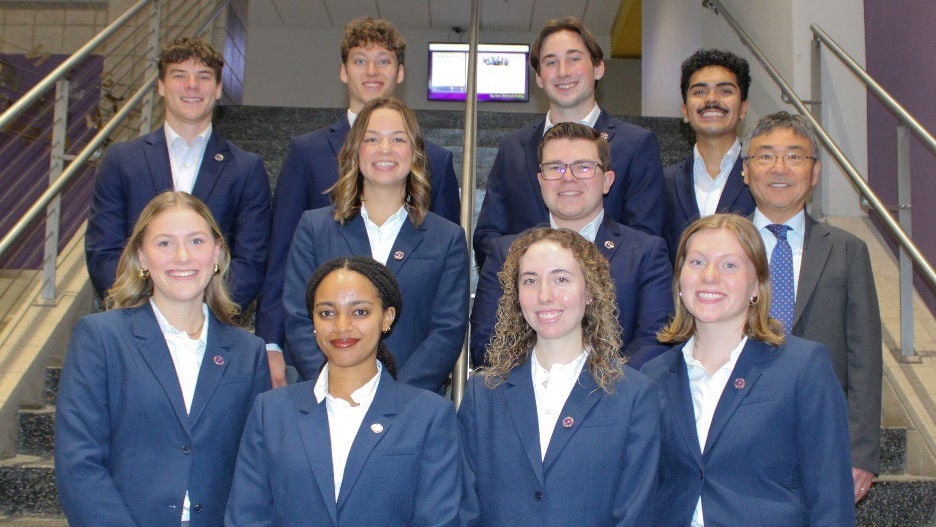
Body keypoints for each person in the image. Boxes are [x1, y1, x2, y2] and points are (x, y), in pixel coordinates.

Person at [258, 17, 460, 386]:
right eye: (360, 60)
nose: (371, 70)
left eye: (383, 60)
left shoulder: (438, 162)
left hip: (409, 373)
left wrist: (403, 392)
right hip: (324, 371)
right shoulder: (306, 158)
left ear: (400, 72)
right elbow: (284, 260)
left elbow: (441, 285)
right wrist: (274, 342)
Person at [55, 192, 271, 527]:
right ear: (142, 257)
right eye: (165, 244)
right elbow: (78, 462)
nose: (182, 256)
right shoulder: (101, 338)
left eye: (196, 241)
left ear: (216, 253)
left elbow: (255, 468)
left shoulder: (248, 352)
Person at [641, 213, 855, 526]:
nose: (710, 276)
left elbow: (830, 494)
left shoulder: (802, 367)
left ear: (756, 284)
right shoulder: (652, 377)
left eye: (729, 265)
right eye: (697, 262)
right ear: (680, 282)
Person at [225, 256, 460, 526]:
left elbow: (439, 519)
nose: (341, 326)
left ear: (387, 318)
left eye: (360, 312)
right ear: (312, 321)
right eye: (327, 313)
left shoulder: (429, 416)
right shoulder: (271, 411)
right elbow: (247, 516)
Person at [459, 228, 660, 526]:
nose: (544, 295)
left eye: (561, 279)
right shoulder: (482, 393)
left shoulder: (634, 395)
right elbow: (465, 507)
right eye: (530, 280)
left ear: (590, 291)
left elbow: (635, 512)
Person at [275, 97, 468, 391]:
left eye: (398, 139)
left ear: (415, 153)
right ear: (355, 151)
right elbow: (299, 318)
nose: (385, 149)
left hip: (411, 405)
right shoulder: (314, 228)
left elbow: (447, 330)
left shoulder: (447, 238)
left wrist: (395, 396)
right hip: (326, 399)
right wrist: (337, 387)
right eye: (372, 139)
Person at [742, 111, 882, 502]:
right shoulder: (718, 245)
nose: (779, 168)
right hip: (734, 429)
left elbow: (865, 358)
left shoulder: (848, 250)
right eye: (765, 156)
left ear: (815, 171)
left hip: (822, 435)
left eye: (795, 156)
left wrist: (862, 452)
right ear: (746, 170)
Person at [85, 37, 271, 310]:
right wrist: (149, 305)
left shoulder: (246, 168)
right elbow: (103, 251)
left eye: (203, 77)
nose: (192, 86)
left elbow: (251, 260)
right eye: (179, 76)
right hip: (133, 318)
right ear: (160, 86)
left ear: (219, 88)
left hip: (210, 322)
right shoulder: (121, 161)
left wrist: (199, 311)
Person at [470, 122, 672, 369]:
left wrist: (593, 388)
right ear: (541, 180)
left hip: (615, 399)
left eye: (583, 167)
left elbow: (654, 341)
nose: (568, 178)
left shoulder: (645, 253)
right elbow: (487, 343)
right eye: (555, 168)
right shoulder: (506, 252)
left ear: (607, 181)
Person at [473, 16, 665, 268]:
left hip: (609, 299)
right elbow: (488, 235)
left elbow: (644, 236)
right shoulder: (514, 147)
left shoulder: (636, 144)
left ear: (598, 68)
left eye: (574, 59)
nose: (563, 71)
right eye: (550, 62)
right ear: (539, 77)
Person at [663, 49, 756, 261]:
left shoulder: (762, 176)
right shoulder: (662, 183)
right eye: (699, 92)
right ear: (685, 111)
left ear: (743, 108)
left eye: (724, 91)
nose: (711, 100)